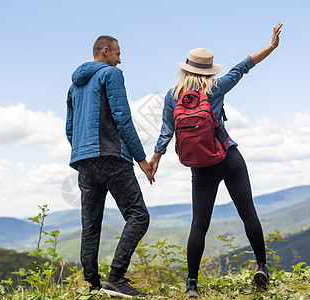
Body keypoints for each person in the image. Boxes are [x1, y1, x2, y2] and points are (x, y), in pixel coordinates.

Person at [150, 24, 283, 297]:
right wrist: (270, 47)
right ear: (208, 70)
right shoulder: (216, 88)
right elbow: (242, 67)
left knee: (199, 224)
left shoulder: (172, 96)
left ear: (185, 68)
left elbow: (166, 131)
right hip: (229, 157)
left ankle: (191, 284)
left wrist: (155, 159)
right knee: (248, 213)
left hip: (201, 168)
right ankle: (262, 267)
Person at [65, 35, 153, 298]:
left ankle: (93, 285)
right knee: (139, 216)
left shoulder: (73, 87)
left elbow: (70, 129)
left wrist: (83, 151)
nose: (119, 59)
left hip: (84, 161)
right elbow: (123, 118)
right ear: (105, 51)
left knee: (90, 224)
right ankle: (115, 278)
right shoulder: (111, 75)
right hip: (111, 157)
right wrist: (141, 159)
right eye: (117, 53)